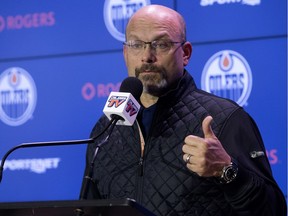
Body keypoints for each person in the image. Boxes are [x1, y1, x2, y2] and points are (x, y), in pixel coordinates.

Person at [81, 4, 287, 216]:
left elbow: (274, 210)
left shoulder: (224, 119)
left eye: (160, 44)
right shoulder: (107, 129)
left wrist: (225, 170)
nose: (147, 56)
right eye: (136, 45)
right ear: (125, 53)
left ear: (186, 53)